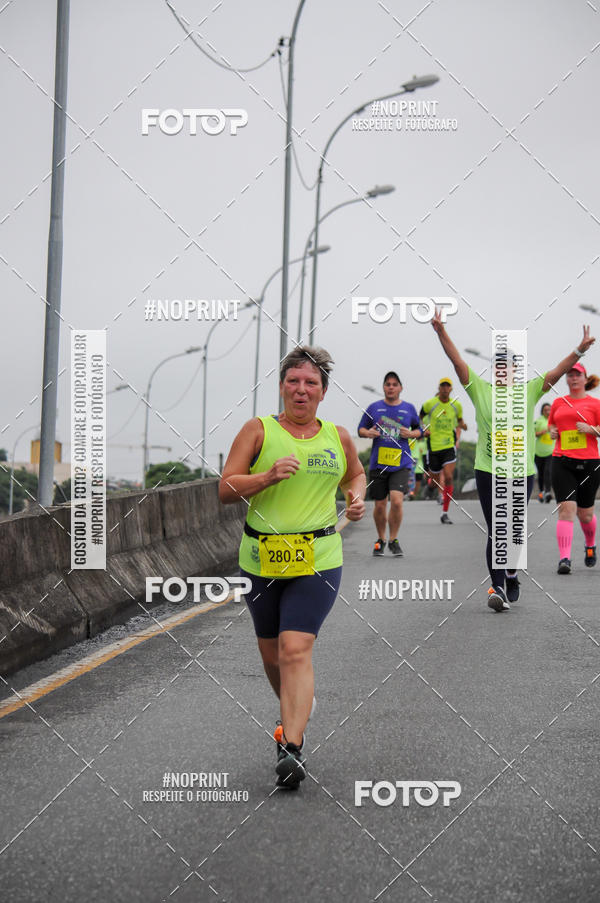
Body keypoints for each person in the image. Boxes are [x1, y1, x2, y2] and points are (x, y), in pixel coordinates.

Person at [219, 346, 366, 789]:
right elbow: (226, 488)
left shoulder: (337, 437)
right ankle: (296, 708)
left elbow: (355, 474)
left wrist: (356, 498)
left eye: (311, 383)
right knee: (271, 655)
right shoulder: (258, 431)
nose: (301, 390)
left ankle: (292, 748)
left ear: (323, 391)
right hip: (261, 559)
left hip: (317, 557)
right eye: (293, 382)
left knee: (295, 648)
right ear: (282, 386)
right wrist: (265, 477)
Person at [432, 311, 595, 611]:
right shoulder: (480, 390)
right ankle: (497, 588)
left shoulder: (529, 390)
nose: (503, 370)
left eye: (508, 366)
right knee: (497, 530)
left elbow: (557, 372)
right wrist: (441, 331)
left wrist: (580, 350)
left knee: (514, 529)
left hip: (521, 472)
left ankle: (512, 572)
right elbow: (457, 363)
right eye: (498, 366)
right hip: (488, 470)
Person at [358, 371, 422, 556]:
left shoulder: (409, 409)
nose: (391, 387)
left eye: (395, 384)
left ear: (401, 388)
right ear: (383, 387)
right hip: (378, 464)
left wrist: (411, 434)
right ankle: (381, 539)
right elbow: (360, 429)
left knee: (396, 501)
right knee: (379, 505)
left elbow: (420, 430)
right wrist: (367, 433)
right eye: (388, 384)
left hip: (400, 463)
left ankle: (394, 539)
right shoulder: (374, 408)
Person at [547, 362, 600, 574]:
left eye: (578, 375)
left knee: (585, 514)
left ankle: (590, 545)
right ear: (567, 380)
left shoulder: (595, 404)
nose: (573, 379)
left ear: (585, 379)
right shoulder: (559, 402)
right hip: (562, 460)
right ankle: (565, 559)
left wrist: (592, 429)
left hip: (590, 463)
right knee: (566, 509)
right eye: (570, 375)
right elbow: (552, 424)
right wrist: (552, 432)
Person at [420, 379, 468, 524]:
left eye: (448, 386)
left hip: (449, 446)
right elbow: (420, 417)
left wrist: (463, 425)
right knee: (434, 480)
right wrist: (424, 429)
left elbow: (459, 421)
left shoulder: (456, 405)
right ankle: (430, 486)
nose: (445, 389)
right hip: (434, 447)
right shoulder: (430, 404)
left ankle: (445, 512)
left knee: (448, 477)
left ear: (451, 389)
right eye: (443, 386)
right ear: (439, 388)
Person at [534, 402, 554, 503]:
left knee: (548, 471)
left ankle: (548, 492)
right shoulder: (538, 421)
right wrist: (541, 432)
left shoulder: (554, 421)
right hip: (538, 452)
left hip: (551, 451)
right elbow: (533, 433)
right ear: (542, 411)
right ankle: (541, 493)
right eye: (545, 410)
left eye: (549, 409)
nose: (548, 411)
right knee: (541, 474)